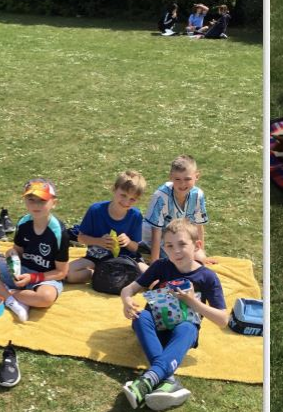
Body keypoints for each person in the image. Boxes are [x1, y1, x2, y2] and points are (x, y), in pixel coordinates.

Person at [120, 219, 228, 410]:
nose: (176, 251)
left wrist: (192, 302)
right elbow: (129, 289)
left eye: (182, 244)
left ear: (197, 246)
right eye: (169, 245)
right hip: (154, 326)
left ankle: (146, 382)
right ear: (164, 247)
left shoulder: (207, 277)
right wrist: (127, 302)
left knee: (188, 328)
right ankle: (168, 381)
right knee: (140, 317)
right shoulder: (161, 266)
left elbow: (222, 319)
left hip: (182, 332)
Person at [0, 178, 70, 323]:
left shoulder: (59, 232)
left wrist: (33, 278)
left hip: (45, 277)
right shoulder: (24, 223)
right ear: (25, 201)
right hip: (21, 270)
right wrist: (12, 255)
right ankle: (12, 301)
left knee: (45, 297)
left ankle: (6, 292)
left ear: (53, 203)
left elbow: (61, 272)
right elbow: (17, 250)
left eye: (42, 200)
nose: (36, 205)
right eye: (31, 200)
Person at [66, 170, 148, 283]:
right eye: (123, 195)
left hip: (127, 258)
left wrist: (128, 242)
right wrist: (99, 241)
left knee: (151, 276)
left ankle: (119, 275)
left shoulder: (136, 215)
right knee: (69, 273)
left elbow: (135, 247)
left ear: (137, 199)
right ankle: (99, 274)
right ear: (114, 190)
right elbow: (81, 238)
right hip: (97, 257)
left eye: (132, 199)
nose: (126, 202)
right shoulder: (96, 210)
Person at [143, 155, 209, 262]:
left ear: (196, 176)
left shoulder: (198, 195)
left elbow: (198, 227)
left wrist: (201, 252)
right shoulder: (160, 197)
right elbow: (156, 232)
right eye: (177, 179)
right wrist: (154, 265)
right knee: (176, 261)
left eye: (187, 179)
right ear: (171, 177)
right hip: (157, 238)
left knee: (199, 260)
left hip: (178, 236)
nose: (182, 184)